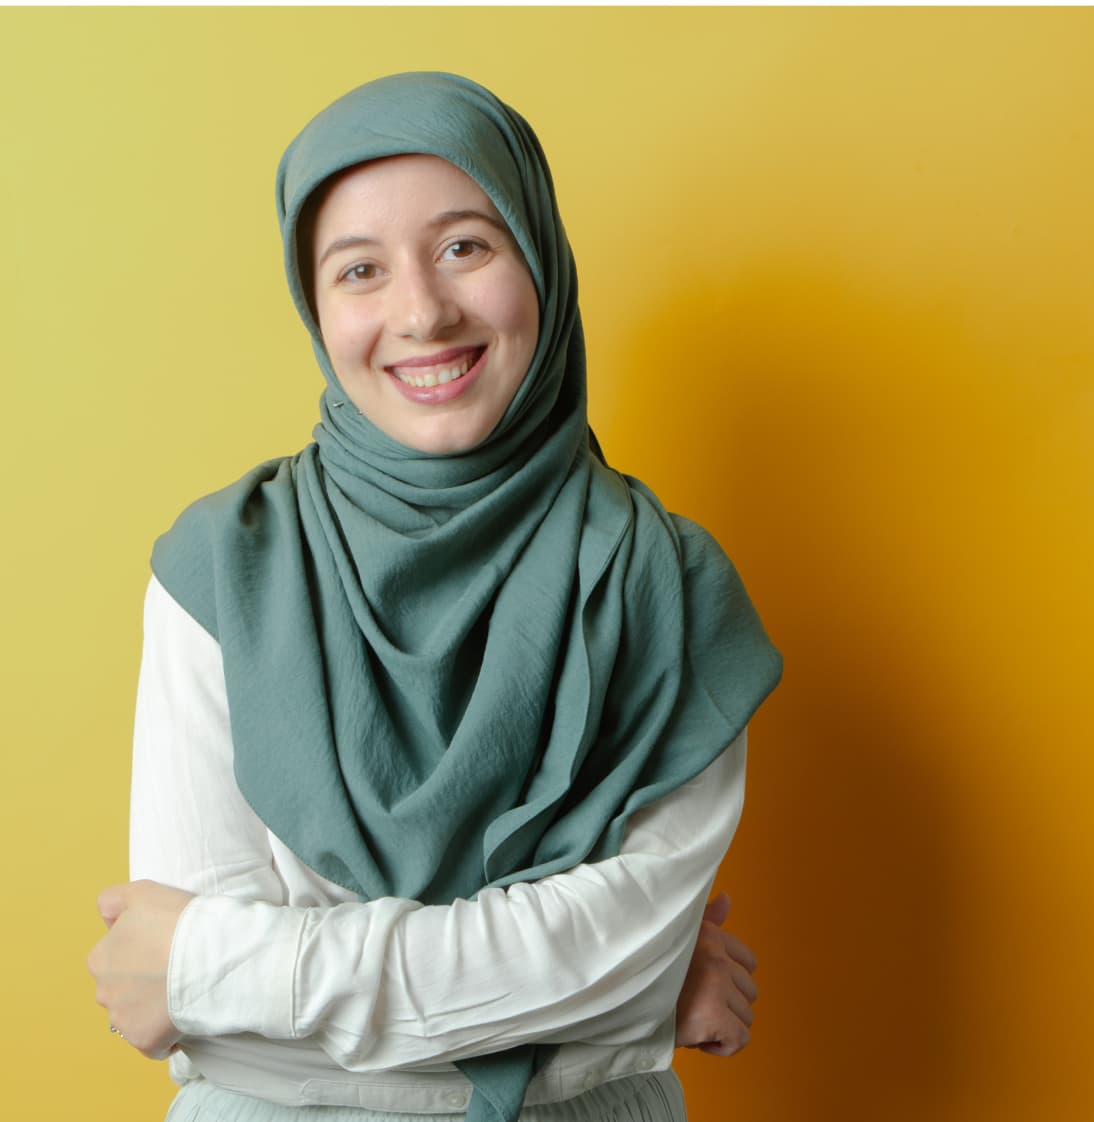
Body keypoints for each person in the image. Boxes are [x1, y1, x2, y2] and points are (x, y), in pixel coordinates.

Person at [87, 72, 783, 1122]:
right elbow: (224, 1048)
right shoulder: (223, 567)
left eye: (466, 245)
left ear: (539, 258)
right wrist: (621, 1008)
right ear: (313, 308)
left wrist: (213, 966)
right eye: (358, 270)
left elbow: (195, 984)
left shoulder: (669, 586)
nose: (421, 312)